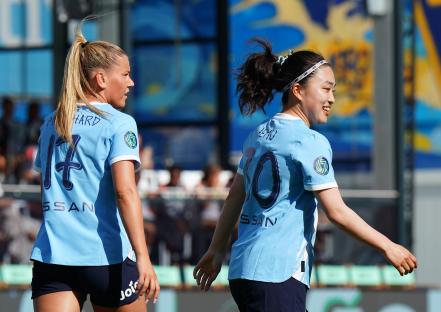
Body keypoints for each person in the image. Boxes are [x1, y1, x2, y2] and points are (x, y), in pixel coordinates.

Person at [193, 39, 417, 312]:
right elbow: (336, 212)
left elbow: (234, 198)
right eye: (326, 88)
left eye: (333, 90)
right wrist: (387, 246)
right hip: (278, 273)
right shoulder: (309, 141)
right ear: (298, 90)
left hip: (244, 270)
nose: (331, 98)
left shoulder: (258, 134)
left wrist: (217, 250)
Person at [30, 20, 159, 312]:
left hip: (54, 257)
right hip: (106, 257)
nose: (131, 82)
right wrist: (143, 257)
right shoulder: (119, 123)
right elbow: (126, 192)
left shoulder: (51, 122)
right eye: (125, 75)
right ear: (101, 79)